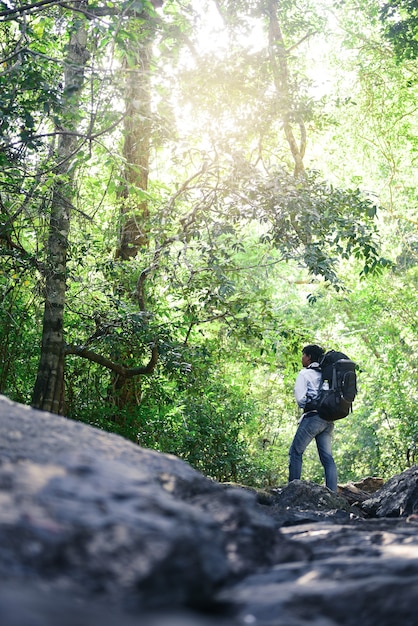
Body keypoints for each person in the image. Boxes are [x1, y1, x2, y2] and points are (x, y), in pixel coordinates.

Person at [288, 344, 338, 492]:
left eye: (303, 355)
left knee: (295, 452)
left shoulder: (305, 374)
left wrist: (309, 404)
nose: (302, 358)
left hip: (313, 418)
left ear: (309, 357)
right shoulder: (327, 372)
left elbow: (300, 399)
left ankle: (293, 491)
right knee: (327, 458)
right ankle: (332, 492)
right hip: (328, 419)